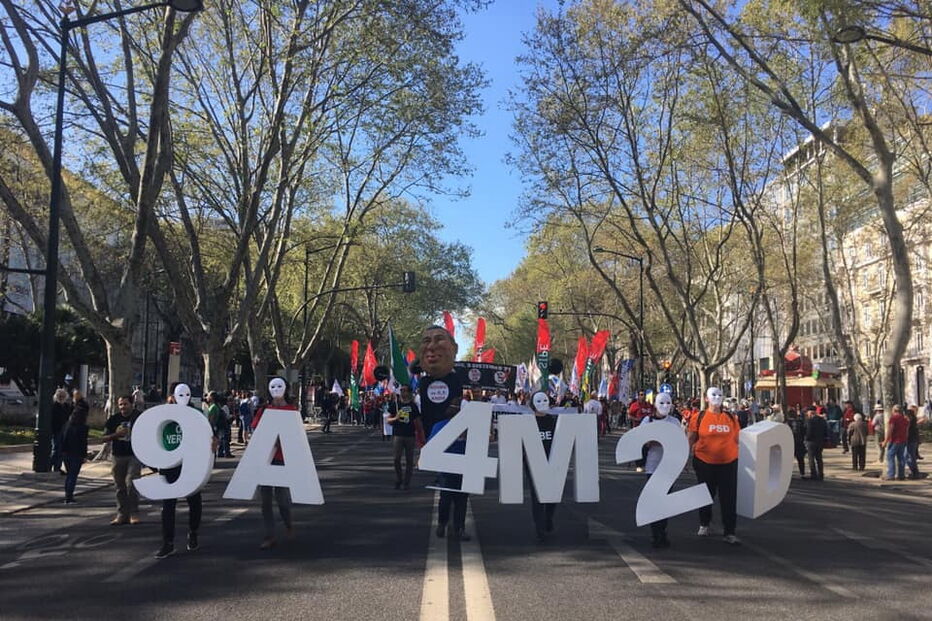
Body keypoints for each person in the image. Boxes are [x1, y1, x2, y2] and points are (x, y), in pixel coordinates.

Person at [416, 324, 470, 541]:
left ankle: (459, 528)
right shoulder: (423, 388)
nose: (431, 346)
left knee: (462, 496)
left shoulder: (468, 404)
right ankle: (442, 523)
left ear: (454, 349)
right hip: (445, 455)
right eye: (426, 341)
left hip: (465, 455)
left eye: (439, 339)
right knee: (447, 494)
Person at [155, 383, 214, 559]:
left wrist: (212, 444)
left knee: (194, 501)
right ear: (171, 397)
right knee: (168, 505)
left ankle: (193, 532)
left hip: (190, 464)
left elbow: (208, 435)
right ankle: (168, 542)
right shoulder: (163, 415)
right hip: (169, 464)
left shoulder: (196, 414)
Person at [688, 386, 740, 545]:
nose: (717, 398)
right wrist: (685, 458)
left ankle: (729, 532)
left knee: (728, 498)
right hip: (704, 462)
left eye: (719, 395)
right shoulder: (698, 417)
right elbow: (691, 438)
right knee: (705, 495)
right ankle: (704, 523)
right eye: (713, 395)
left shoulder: (731, 418)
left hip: (728, 463)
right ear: (706, 398)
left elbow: (738, 439)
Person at [252, 377, 295, 549]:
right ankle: (270, 535)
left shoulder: (291, 410)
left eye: (279, 386)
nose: (276, 389)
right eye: (273, 386)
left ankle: (288, 523)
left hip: (283, 460)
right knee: (266, 501)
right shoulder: (264, 410)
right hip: (265, 460)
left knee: (282, 499)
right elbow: (255, 429)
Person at [640, 393, 682, 548]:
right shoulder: (647, 421)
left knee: (664, 502)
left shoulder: (674, 422)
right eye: (662, 403)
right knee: (653, 501)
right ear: (655, 404)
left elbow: (678, 442)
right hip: (652, 466)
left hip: (669, 467)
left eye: (668, 403)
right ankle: (655, 533)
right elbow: (644, 441)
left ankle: (662, 531)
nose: (665, 406)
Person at [102, 395, 142, 525]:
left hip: (134, 455)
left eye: (125, 404)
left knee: (131, 483)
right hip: (118, 455)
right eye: (120, 404)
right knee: (120, 486)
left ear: (131, 404)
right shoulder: (114, 419)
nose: (123, 407)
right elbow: (104, 437)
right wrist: (117, 435)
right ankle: (121, 514)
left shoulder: (138, 417)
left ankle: (134, 513)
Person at [527, 391, 558, 543]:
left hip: (552, 461)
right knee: (537, 497)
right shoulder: (527, 422)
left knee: (553, 495)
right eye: (538, 401)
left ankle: (548, 518)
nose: (542, 404)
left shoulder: (553, 420)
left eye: (545, 400)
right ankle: (539, 528)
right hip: (533, 463)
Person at [386, 385, 421, 490]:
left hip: (410, 435)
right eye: (401, 390)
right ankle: (399, 478)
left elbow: (418, 421)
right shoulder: (396, 404)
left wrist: (421, 435)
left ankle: (407, 482)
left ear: (409, 392)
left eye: (405, 390)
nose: (403, 392)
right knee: (396, 459)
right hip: (398, 435)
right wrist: (396, 418)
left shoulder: (413, 406)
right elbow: (388, 420)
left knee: (409, 460)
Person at [61, 402, 89, 503]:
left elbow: (63, 439)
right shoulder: (83, 428)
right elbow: (83, 443)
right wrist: (84, 455)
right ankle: (69, 496)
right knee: (73, 475)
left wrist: (63, 451)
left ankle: (67, 494)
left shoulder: (67, 425)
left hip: (66, 453)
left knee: (69, 474)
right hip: (77, 454)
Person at [50, 388, 72, 474]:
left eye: (63, 396)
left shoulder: (66, 406)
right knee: (56, 449)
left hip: (65, 429)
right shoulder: (54, 406)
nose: (61, 398)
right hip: (56, 430)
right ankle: (50, 465)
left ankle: (57, 467)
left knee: (62, 450)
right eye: (59, 396)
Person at [885, 405, 909, 481]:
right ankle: (901, 475)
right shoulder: (905, 419)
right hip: (903, 440)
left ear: (894, 410)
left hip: (894, 440)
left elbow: (890, 430)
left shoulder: (893, 418)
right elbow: (907, 431)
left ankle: (891, 475)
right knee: (901, 458)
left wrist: (885, 440)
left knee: (890, 457)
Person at [804, 407, 827, 480]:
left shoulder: (810, 421)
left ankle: (813, 474)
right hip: (820, 441)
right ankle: (821, 474)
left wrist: (806, 439)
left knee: (811, 458)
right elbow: (826, 430)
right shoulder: (822, 420)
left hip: (811, 441)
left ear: (810, 413)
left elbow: (809, 431)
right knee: (819, 458)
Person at [786, 409, 807, 477]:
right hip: (799, 442)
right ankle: (802, 473)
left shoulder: (787, 423)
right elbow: (804, 431)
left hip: (790, 443)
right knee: (800, 459)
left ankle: (788, 474)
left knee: (789, 460)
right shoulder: (800, 422)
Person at [906, 407, 921, 479]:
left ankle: (915, 472)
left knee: (909, 457)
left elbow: (907, 430)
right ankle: (915, 472)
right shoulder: (914, 420)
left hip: (910, 440)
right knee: (911, 456)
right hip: (913, 440)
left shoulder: (910, 421)